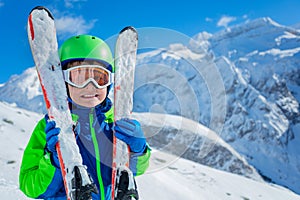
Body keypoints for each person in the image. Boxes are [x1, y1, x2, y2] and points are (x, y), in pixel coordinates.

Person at [19, 35, 151, 200]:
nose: (90, 86)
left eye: (99, 78)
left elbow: (136, 170)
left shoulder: (115, 123)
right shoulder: (49, 127)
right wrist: (54, 160)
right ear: (63, 82)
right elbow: (29, 186)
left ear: (109, 83)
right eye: (79, 77)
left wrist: (139, 151)